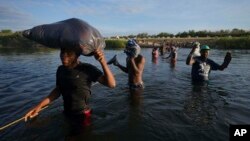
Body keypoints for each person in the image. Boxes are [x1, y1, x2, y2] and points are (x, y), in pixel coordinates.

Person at [24, 47, 116, 123]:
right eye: (62, 52)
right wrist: (38, 106)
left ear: (77, 55)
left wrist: (103, 62)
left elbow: (112, 84)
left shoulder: (87, 69)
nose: (64, 56)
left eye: (69, 53)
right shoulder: (60, 70)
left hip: (83, 115)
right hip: (66, 113)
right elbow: (58, 90)